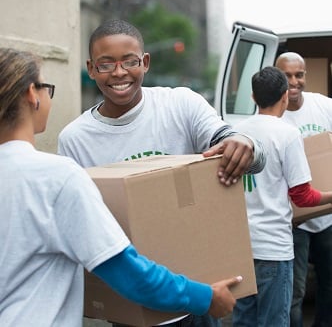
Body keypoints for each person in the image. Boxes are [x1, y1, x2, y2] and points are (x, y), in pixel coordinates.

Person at [0, 47, 246, 327]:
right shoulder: (57, 177)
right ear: (33, 95)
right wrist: (206, 297)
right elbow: (130, 275)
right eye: (47, 88)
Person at [57, 19, 266, 327]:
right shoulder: (75, 139)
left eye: (129, 62)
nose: (119, 73)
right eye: (106, 64)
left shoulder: (180, 104)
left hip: (198, 295)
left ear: (145, 62)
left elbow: (242, 149)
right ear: (90, 68)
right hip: (133, 304)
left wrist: (244, 143)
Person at [231, 66, 332, 327]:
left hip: (242, 247)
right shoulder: (287, 134)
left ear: (253, 98)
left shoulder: (235, 132)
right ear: (285, 96)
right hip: (274, 248)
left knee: (244, 319)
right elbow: (302, 197)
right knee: (273, 320)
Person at [276, 52, 332, 327]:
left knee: (330, 286)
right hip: (294, 221)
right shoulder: (273, 114)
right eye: (286, 76)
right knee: (294, 293)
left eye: (299, 75)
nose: (294, 82)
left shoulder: (323, 106)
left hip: (328, 217)